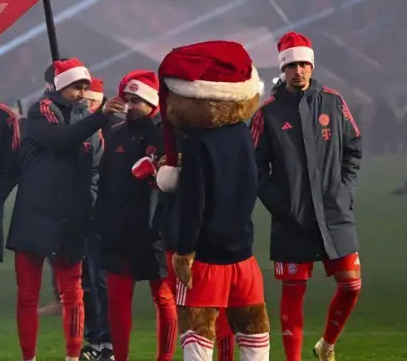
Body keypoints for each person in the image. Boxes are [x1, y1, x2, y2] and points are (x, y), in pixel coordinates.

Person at [154, 41, 272, 361]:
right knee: (253, 331)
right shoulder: (243, 134)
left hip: (205, 258)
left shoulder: (196, 143)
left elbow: (195, 201)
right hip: (243, 253)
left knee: (196, 333)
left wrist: (185, 250)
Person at [250, 33, 363, 361]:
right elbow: (255, 168)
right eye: (291, 65)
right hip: (292, 219)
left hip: (334, 212)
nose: (298, 71)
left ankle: (327, 344)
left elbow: (354, 148)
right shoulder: (267, 113)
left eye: (303, 64)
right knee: (293, 293)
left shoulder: (333, 101)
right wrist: (281, 207)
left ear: (311, 65)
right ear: (283, 70)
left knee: (352, 285)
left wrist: (346, 191)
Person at [9, 59, 120, 361]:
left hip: (71, 220)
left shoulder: (89, 123)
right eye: (75, 86)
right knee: (28, 295)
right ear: (60, 86)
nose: (82, 92)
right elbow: (59, 140)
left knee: (73, 295)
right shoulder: (41, 111)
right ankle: (28, 357)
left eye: (85, 86)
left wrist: (89, 201)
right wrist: (98, 118)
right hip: (35, 216)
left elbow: (96, 169)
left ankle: (73, 357)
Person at [92, 72, 174, 361]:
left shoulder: (168, 135)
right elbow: (104, 182)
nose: (130, 105)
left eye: (137, 100)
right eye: (128, 99)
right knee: (117, 302)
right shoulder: (114, 133)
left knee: (165, 300)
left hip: (156, 233)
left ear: (152, 102)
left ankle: (164, 358)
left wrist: (159, 176)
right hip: (119, 232)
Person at [81, 77, 112, 361]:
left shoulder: (112, 130)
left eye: (90, 100)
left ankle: (108, 340)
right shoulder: (79, 128)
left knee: (102, 279)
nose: (85, 105)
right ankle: (93, 339)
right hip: (82, 214)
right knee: (86, 281)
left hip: (106, 216)